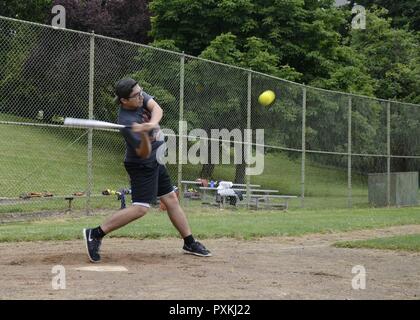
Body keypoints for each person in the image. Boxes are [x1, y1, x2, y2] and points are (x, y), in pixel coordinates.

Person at [83, 78, 211, 262]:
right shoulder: (126, 123)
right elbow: (143, 152)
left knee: (171, 199)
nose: (141, 96)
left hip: (156, 160)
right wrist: (143, 135)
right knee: (141, 209)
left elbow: (158, 109)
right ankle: (95, 233)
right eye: (136, 95)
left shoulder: (139, 96)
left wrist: (151, 123)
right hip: (142, 164)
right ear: (124, 101)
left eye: (141, 92)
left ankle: (189, 242)